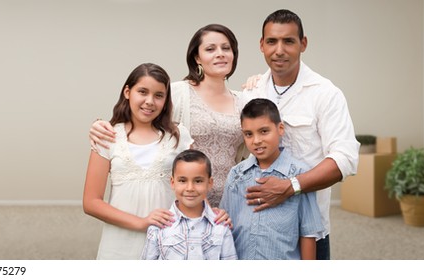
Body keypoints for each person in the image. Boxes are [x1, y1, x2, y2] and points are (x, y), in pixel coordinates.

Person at [239, 9, 359, 260]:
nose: (279, 50)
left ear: (303, 44)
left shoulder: (325, 93)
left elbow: (345, 159)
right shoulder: (251, 93)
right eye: (272, 41)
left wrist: (290, 187)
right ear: (262, 45)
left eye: (289, 41)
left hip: (308, 228)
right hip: (257, 227)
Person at [89, 24, 245, 208]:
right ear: (197, 57)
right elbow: (141, 116)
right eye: (211, 49)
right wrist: (99, 125)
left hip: (231, 203)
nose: (220, 53)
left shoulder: (245, 100)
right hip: (183, 204)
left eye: (226, 48)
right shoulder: (178, 92)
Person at [82, 63, 193, 259]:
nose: (150, 101)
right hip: (118, 246)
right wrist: (142, 222)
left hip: (168, 243)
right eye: (142, 92)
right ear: (127, 92)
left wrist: (215, 216)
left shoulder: (178, 136)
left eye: (159, 95)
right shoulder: (107, 136)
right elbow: (91, 202)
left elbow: (193, 188)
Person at [221, 98, 324, 260]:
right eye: (249, 134)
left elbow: (308, 233)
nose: (256, 141)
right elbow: (225, 226)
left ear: (280, 128)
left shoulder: (300, 174)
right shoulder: (236, 175)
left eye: (264, 131)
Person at [141, 149, 236, 260]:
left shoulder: (220, 226)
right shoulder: (159, 226)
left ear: (209, 183)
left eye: (198, 181)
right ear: (172, 183)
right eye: (182, 180)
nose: (190, 188)